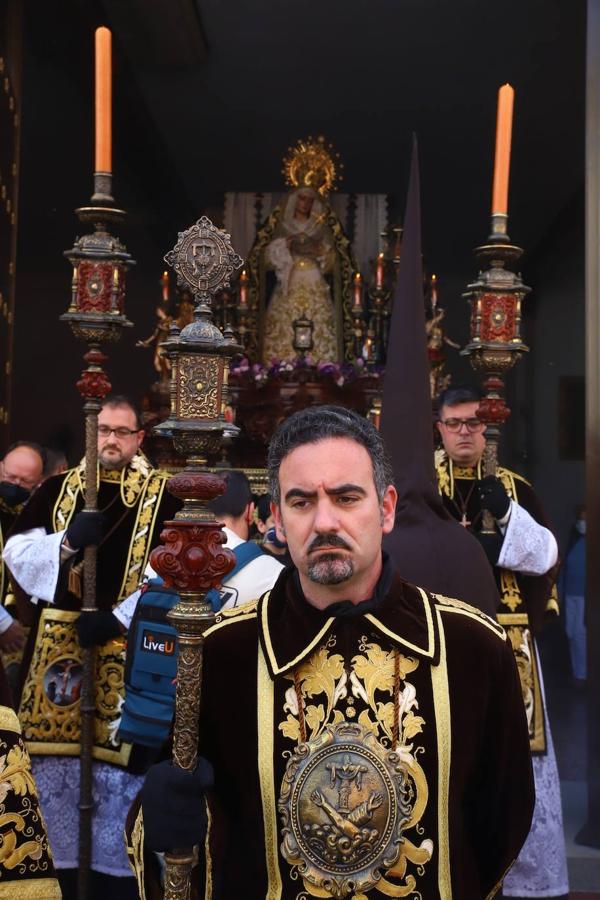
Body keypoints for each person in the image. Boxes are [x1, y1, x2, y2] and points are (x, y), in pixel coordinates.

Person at [128, 405, 534, 899]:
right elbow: (178, 834)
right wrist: (162, 823)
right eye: (301, 502)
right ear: (275, 520)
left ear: (385, 508)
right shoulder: (223, 654)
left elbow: (502, 822)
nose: (324, 521)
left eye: (346, 497)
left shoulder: (473, 649)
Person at [2, 395, 180, 900]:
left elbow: (175, 562)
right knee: (52, 777)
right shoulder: (58, 490)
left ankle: (116, 883)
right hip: (55, 656)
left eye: (123, 432)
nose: (112, 440)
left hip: (128, 648)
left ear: (139, 438)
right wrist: (66, 541)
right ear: (90, 432)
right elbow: (14, 553)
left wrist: (118, 616)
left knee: (119, 780)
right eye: (103, 430)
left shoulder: (160, 495)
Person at [435, 384, 568, 900]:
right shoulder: (421, 485)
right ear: (439, 427)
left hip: (508, 640)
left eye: (473, 422)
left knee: (519, 759)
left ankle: (525, 880)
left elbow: (548, 555)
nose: (464, 431)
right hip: (444, 640)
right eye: (454, 423)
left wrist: (509, 520)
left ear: (486, 427)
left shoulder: (512, 486)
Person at [263, 187, 338, 363]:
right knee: (286, 320)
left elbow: (330, 259)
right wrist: (284, 246)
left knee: (317, 317)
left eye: (310, 200)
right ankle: (282, 362)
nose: (305, 204)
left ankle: (320, 362)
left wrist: (319, 251)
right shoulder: (284, 225)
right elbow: (268, 256)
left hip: (313, 275)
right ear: (295, 201)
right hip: (291, 276)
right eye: (302, 199)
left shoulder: (318, 225)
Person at [0, 442, 46, 693]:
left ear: (38, 483)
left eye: (24, 481)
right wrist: (2, 623)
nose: (14, 485)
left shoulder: (36, 516)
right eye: (10, 477)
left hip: (20, 638)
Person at [560, 505, 587, 685]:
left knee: (580, 633)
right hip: (570, 593)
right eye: (581, 518)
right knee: (571, 632)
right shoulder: (573, 538)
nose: (582, 522)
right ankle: (578, 671)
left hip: (585, 595)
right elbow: (564, 566)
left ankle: (582, 674)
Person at [255, 492, 293, 567]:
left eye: (285, 520)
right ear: (261, 526)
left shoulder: (297, 559)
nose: (282, 526)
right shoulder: (256, 560)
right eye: (274, 522)